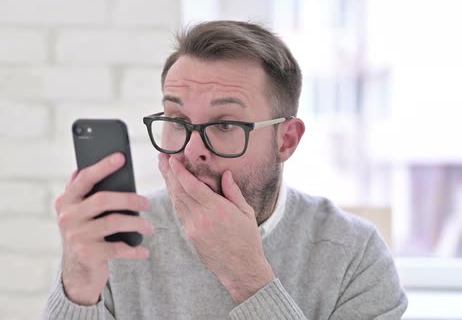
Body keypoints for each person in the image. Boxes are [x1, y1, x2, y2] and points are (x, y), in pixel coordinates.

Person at [42, 20, 407, 319]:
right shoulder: (119, 236)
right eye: (177, 120)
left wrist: (247, 276)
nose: (192, 149)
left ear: (286, 140)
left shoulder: (354, 255)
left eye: (226, 125)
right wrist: (78, 288)